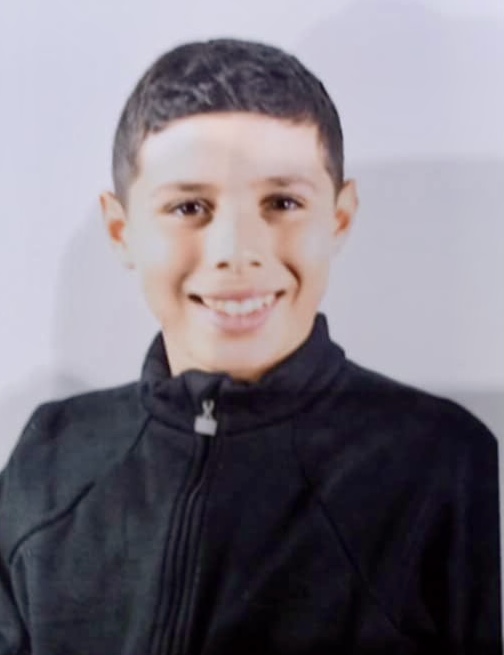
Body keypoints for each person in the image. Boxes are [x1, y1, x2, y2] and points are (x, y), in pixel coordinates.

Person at [0, 38, 500, 655]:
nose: (237, 251)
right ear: (122, 230)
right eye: (189, 206)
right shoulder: (50, 458)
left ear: (339, 219)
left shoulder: (443, 464)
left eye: (282, 203)